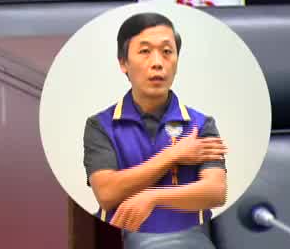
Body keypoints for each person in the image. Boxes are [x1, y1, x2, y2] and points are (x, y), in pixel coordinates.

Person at [83, 13, 227, 236]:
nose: (158, 63)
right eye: (145, 51)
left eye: (167, 52)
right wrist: (173, 155)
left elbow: (215, 191)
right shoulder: (100, 125)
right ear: (123, 63)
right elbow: (107, 193)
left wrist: (152, 197)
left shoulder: (201, 124)